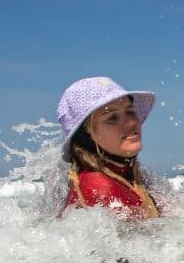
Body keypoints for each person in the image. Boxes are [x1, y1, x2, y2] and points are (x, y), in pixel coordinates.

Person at [57, 76, 164, 219]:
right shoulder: (101, 189)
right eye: (112, 118)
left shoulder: (126, 175)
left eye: (130, 111)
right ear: (86, 135)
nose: (131, 122)